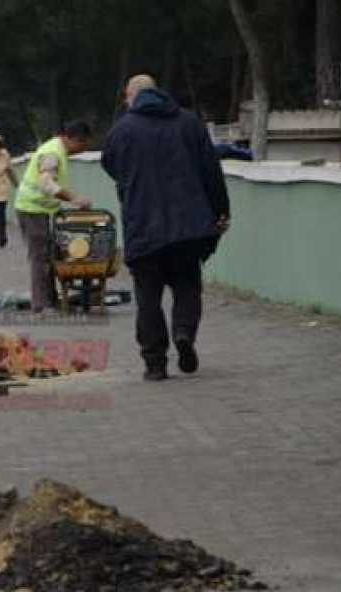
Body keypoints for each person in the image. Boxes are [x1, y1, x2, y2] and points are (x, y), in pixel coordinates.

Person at [101, 74, 231, 381]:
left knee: (148, 297)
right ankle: (184, 333)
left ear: (131, 97)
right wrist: (221, 211)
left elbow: (110, 165)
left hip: (143, 227)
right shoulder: (189, 123)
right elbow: (211, 170)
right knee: (187, 285)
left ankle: (155, 363)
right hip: (189, 226)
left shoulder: (122, 130)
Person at [13, 120, 93, 313]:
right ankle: (42, 304)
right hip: (32, 209)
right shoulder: (52, 153)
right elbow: (47, 184)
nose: (81, 151)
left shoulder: (57, 150)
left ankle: (50, 299)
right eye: (81, 146)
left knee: (50, 255)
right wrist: (74, 198)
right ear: (72, 138)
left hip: (42, 210)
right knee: (41, 257)